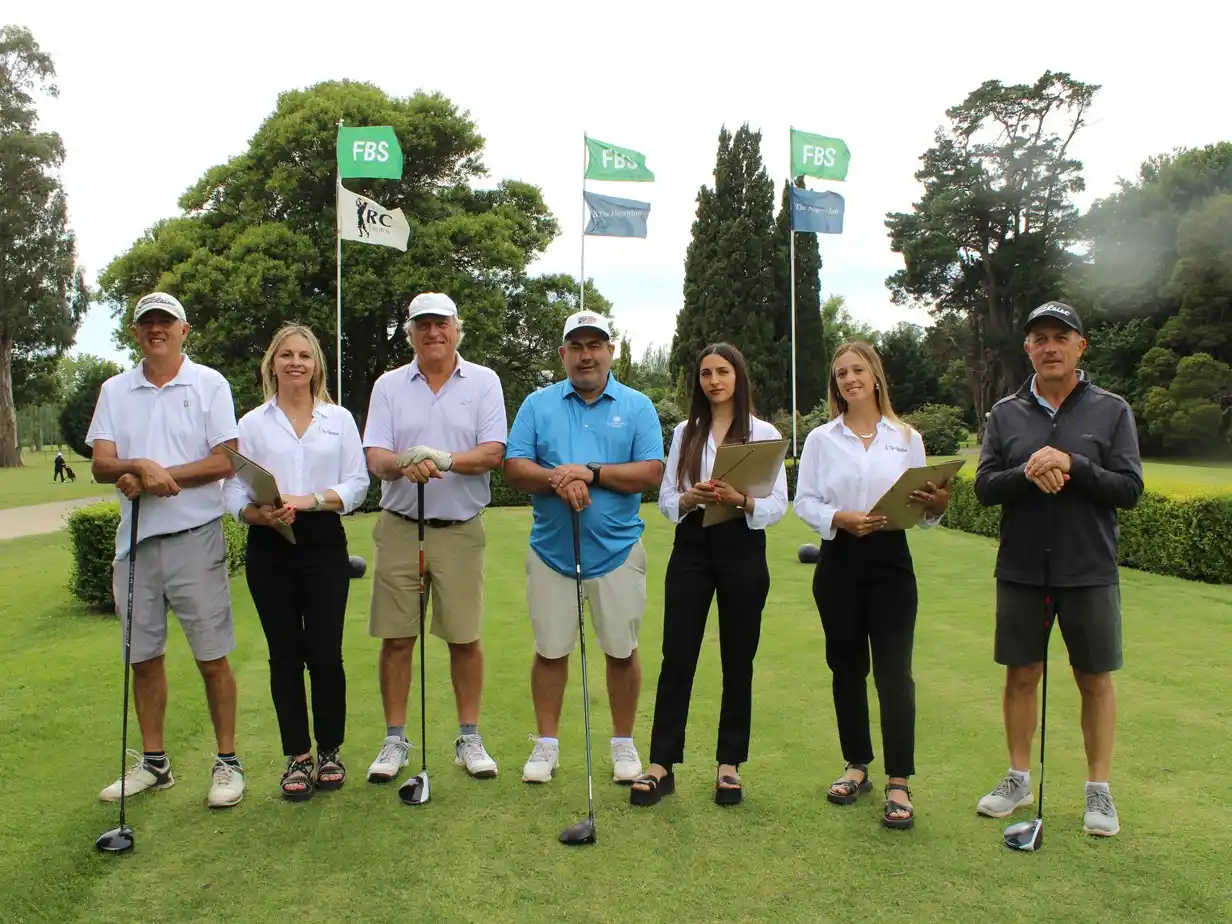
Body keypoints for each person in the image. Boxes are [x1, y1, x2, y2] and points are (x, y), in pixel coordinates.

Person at [974, 300, 1143, 837]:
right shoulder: (1005, 413)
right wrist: (1030, 470)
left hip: (1089, 567)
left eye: (1060, 337)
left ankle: (1099, 789)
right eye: (1039, 338)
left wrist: (1073, 463)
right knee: (1021, 674)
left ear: (1079, 346)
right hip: (1022, 567)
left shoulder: (1111, 410)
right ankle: (1018, 778)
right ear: (1027, 349)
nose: (1050, 347)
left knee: (1093, 678)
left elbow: (1129, 488)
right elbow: (984, 487)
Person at [86, 291, 246, 809]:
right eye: (147, 322)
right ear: (135, 332)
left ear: (184, 330)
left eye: (166, 321)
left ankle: (228, 762)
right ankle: (155, 764)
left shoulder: (209, 383)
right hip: (135, 543)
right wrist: (138, 466)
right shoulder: (115, 389)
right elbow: (102, 462)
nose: (157, 329)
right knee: (143, 658)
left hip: (195, 536)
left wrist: (157, 475)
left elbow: (226, 460)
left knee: (212, 657)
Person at [793, 339, 950, 829]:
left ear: (875, 376)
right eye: (841, 373)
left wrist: (937, 507)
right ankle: (856, 766)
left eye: (858, 370)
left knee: (894, 673)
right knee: (846, 669)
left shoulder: (906, 437)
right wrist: (839, 517)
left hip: (891, 562)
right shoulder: (821, 439)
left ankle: (899, 780)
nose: (850, 379)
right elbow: (804, 501)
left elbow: (924, 510)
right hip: (838, 560)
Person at [504, 311, 665, 786]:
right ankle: (547, 744)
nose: (586, 355)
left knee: (621, 651)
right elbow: (515, 467)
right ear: (563, 354)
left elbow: (651, 471)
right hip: (551, 552)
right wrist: (561, 478)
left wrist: (589, 473)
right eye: (576, 346)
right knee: (550, 650)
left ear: (611, 351)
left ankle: (623, 744)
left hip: (618, 550)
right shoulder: (538, 404)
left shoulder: (637, 406)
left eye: (595, 345)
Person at [631, 343, 788, 807]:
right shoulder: (686, 432)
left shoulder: (763, 433)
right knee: (677, 656)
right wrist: (689, 498)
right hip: (693, 545)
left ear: (738, 376)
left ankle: (729, 765)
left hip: (743, 544)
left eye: (722, 372)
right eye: (705, 373)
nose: (714, 381)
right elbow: (666, 499)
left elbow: (779, 503)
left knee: (738, 660)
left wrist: (743, 501)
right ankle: (661, 765)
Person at [361, 293, 508, 783]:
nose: (433, 333)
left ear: (456, 329)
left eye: (441, 323)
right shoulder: (388, 385)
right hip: (401, 527)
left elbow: (492, 453)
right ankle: (394, 740)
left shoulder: (484, 381)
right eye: (422, 325)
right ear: (411, 334)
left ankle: (469, 737)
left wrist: (445, 459)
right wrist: (404, 463)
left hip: (460, 529)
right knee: (397, 638)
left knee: (464, 638)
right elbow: (376, 456)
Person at [224, 324, 370, 800]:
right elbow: (233, 489)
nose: (295, 363)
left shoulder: (339, 419)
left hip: (323, 540)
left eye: (304, 355)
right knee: (285, 655)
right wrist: (257, 514)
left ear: (316, 365)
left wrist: (309, 500)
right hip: (270, 544)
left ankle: (330, 750)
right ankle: (298, 757)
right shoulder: (252, 423)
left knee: (325, 654)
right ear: (272, 363)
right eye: (286, 354)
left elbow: (358, 484)